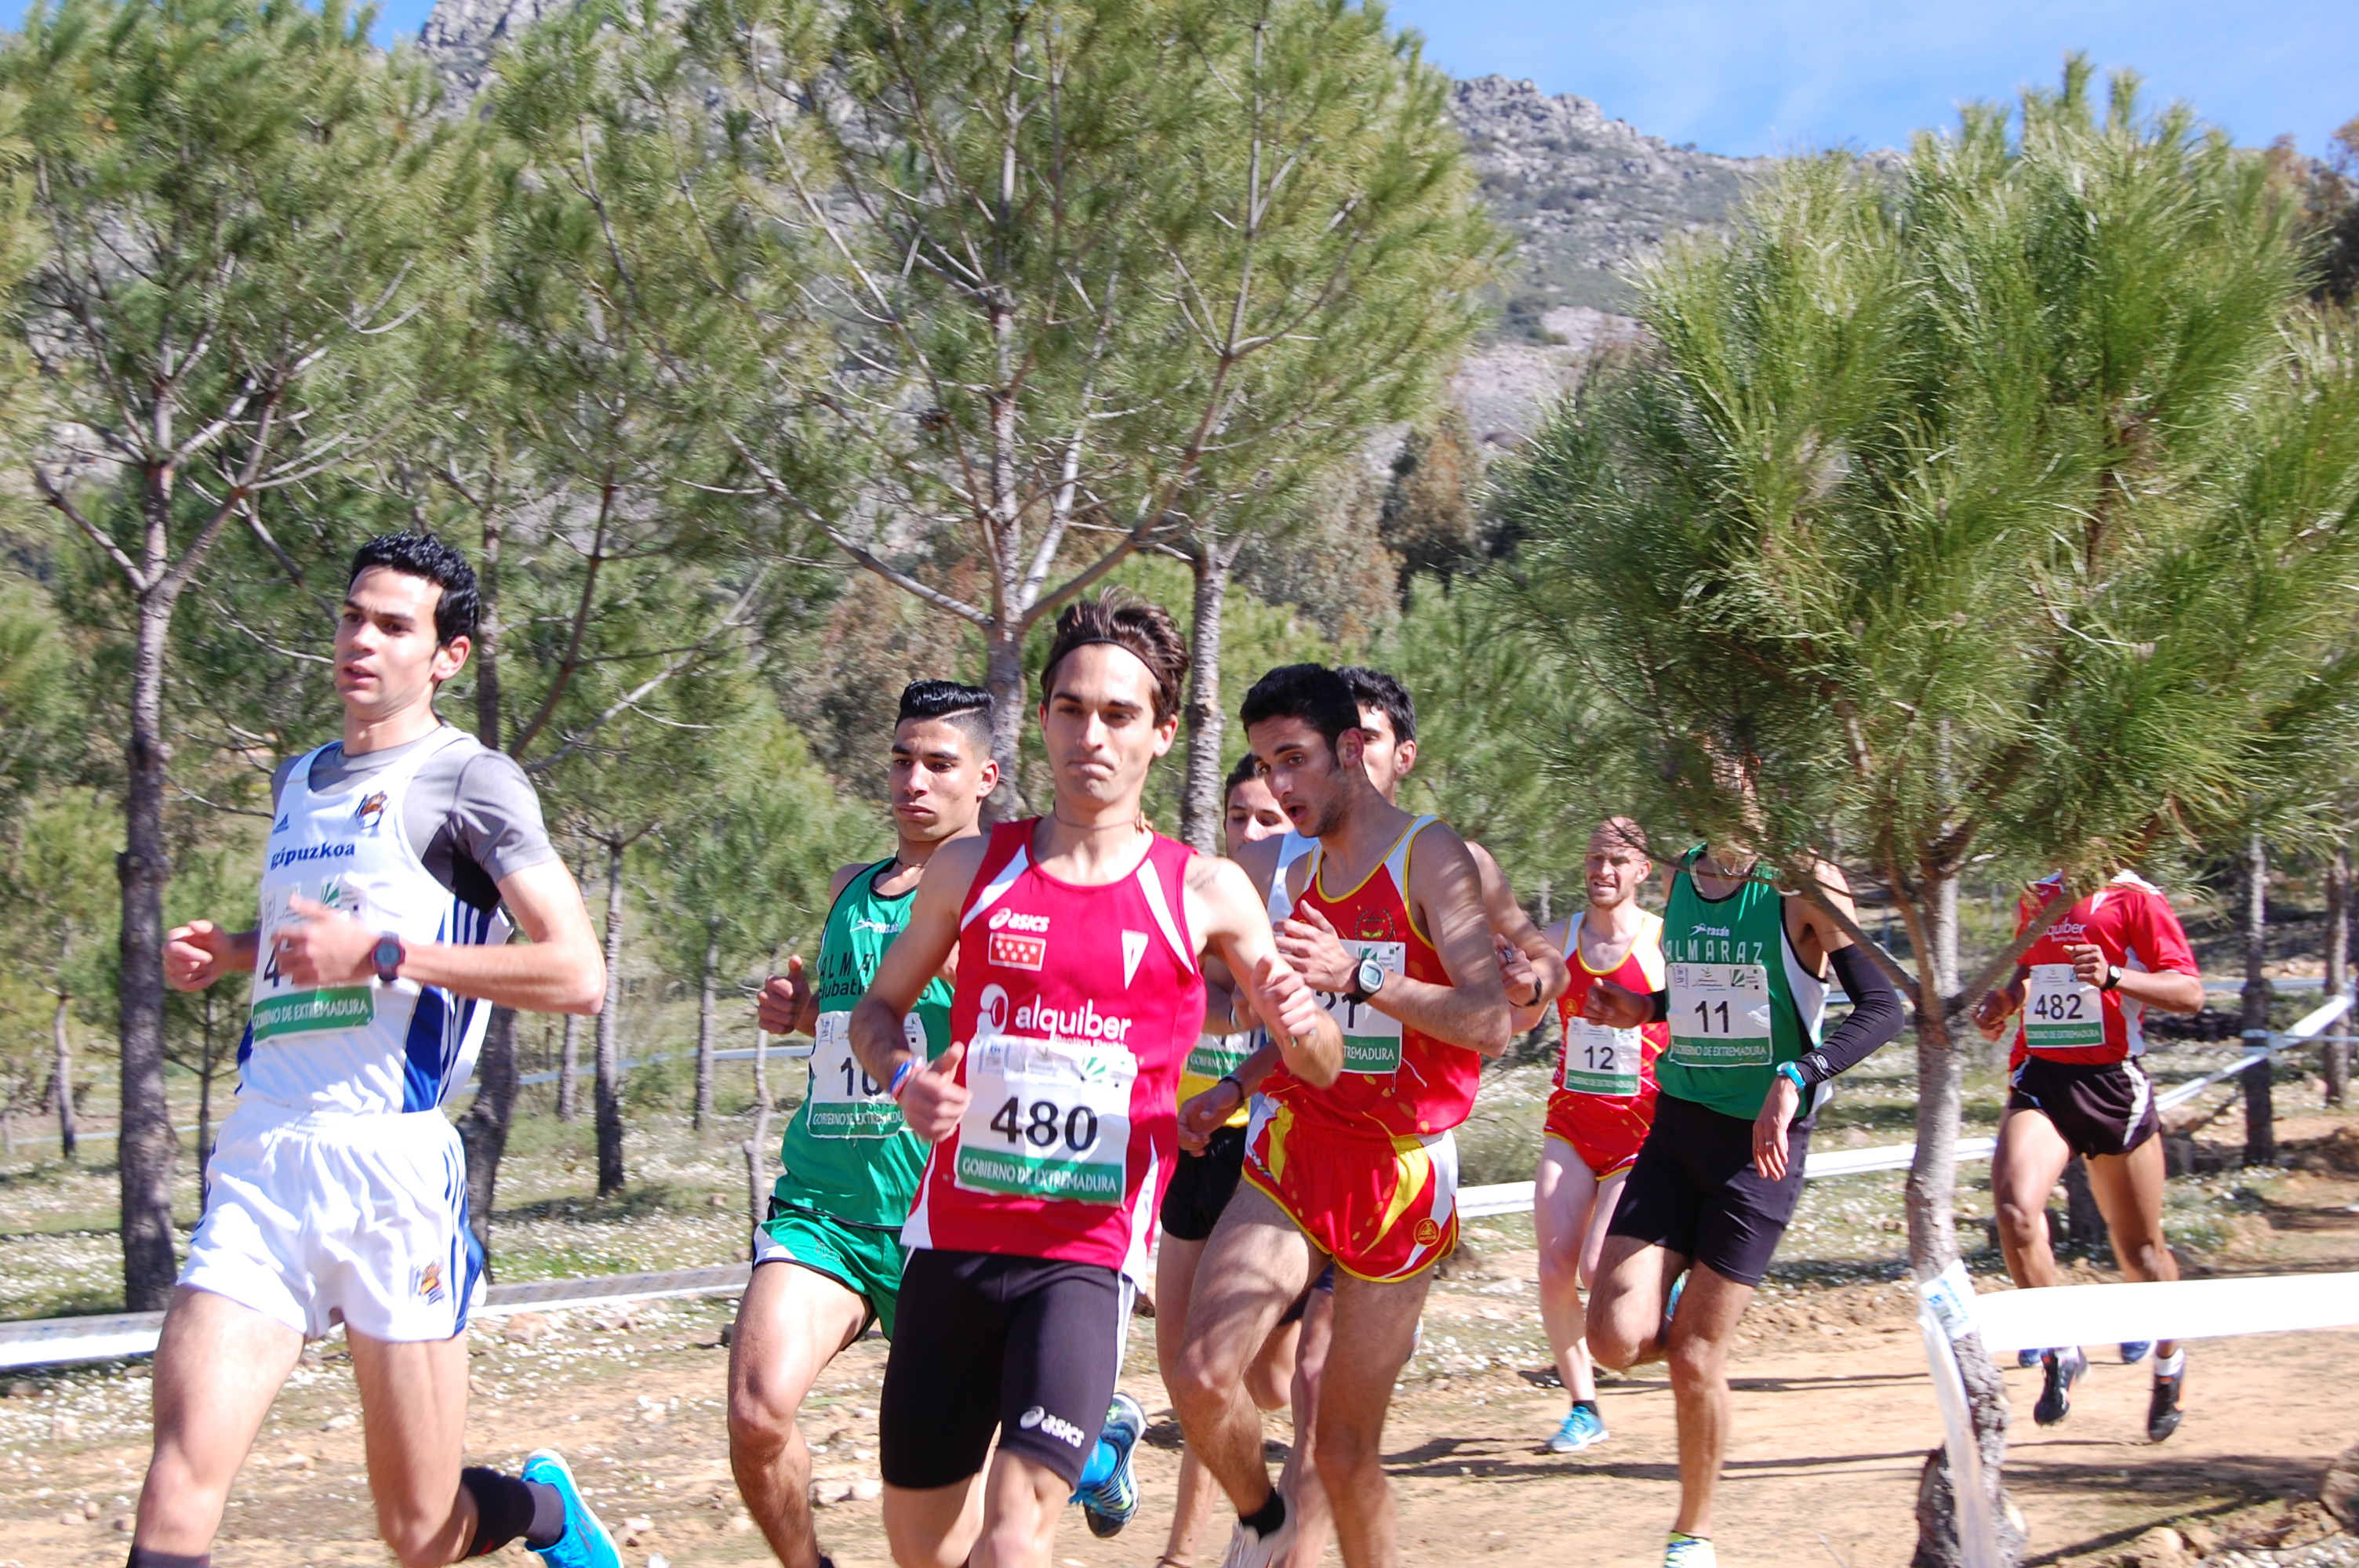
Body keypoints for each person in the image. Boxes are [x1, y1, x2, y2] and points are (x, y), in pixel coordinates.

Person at [145, 533, 615, 1568]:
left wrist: (387, 954)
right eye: (352, 616)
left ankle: (542, 1511)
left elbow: (578, 973)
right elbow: (326, 934)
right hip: (266, 1158)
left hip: (391, 1174)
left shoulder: (472, 782)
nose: (361, 640)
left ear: (447, 657)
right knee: (177, 1488)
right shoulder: (298, 781)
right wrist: (233, 953)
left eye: (394, 626)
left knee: (418, 1532)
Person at [843, 597, 1342, 1568]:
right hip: (949, 1241)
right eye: (1070, 709)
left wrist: (1297, 1014)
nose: (1090, 735)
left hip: (1083, 1254)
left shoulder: (1201, 889)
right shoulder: (969, 867)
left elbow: (1314, 1059)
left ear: (1160, 733)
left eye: (1118, 714)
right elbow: (874, 1013)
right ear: (1042, 720)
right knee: (919, 1547)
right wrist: (903, 1077)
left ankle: (1251, 1514)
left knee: (1014, 1530)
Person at [1170, 662, 1515, 1568]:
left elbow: (1490, 1022)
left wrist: (1361, 971)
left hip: (1400, 1169)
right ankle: (1264, 1522)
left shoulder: (1428, 855)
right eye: (1261, 764)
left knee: (1345, 1447)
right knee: (1201, 1376)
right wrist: (1238, 1085)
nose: (1276, 786)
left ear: (1352, 750)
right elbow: (1305, 1021)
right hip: (1295, 1141)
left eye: (1292, 760)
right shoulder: (1297, 868)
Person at [1579, 790, 1904, 1568]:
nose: (1703, 777)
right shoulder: (1683, 873)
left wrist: (1797, 1073)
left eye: (1723, 760)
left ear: (1756, 768)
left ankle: (1691, 1532)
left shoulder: (1801, 882)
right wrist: (1641, 1005)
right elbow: (1708, 992)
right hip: (1676, 1125)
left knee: (1692, 1353)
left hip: (1757, 1146)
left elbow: (1884, 1006)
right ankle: (1706, 1356)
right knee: (1611, 1339)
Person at [729, 680, 1001, 1568]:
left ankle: (1080, 1423)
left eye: (937, 763)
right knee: (758, 1411)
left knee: (938, 1540)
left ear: (984, 776)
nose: (912, 780)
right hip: (828, 1206)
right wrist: (800, 1008)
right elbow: (861, 1015)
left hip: (945, 1223)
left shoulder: (1001, 896)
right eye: (899, 759)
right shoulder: (853, 886)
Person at [1972, 869, 2205, 1439]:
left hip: (2112, 1086)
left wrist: (2116, 976)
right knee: (2016, 1212)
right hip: (2043, 1078)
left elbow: (2190, 993)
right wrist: (2006, 1001)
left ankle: (2169, 1364)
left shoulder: (2136, 899)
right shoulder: (2038, 891)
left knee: (2141, 1254)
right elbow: (2033, 974)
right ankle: (2059, 1347)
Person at [1155, 757, 1306, 1568]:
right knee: (1187, 1368)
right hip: (1193, 1138)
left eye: (1267, 820)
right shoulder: (1202, 895)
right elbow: (1189, 996)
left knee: (1270, 1383)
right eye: (1237, 818)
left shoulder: (1307, 907)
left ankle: (1279, 1514)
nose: (1249, 834)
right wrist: (1228, 1002)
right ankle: (1182, 1551)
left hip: (1265, 1150)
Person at [1532, 817, 1667, 1455]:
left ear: (1642, 870)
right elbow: (1519, 1008)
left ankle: (1668, 1282)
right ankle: (1583, 1405)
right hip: (1572, 1122)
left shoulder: (1663, 942)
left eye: (1617, 860)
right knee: (1557, 1265)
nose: (1602, 871)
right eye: (1593, 858)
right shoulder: (1557, 940)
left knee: (1594, 1266)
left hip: (1641, 1128)